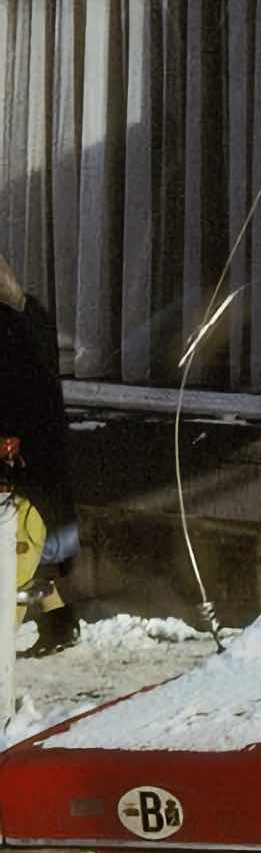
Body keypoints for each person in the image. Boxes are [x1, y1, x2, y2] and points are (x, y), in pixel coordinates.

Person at [0, 250, 79, 657]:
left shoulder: (12, 326)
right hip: (37, 445)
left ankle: (12, 635)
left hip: (21, 448)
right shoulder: (33, 316)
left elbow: (18, 389)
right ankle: (60, 623)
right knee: (34, 541)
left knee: (21, 542)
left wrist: (11, 439)